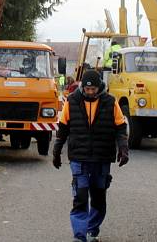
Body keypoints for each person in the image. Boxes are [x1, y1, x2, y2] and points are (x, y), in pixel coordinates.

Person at [52, 69, 129, 242]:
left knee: (98, 196)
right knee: (80, 196)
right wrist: (56, 151)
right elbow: (63, 128)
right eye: (87, 90)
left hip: (102, 158)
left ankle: (91, 229)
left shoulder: (110, 102)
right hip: (79, 157)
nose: (90, 92)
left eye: (93, 89)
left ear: (99, 87)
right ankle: (79, 235)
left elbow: (120, 127)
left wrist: (124, 149)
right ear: (82, 88)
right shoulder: (72, 101)